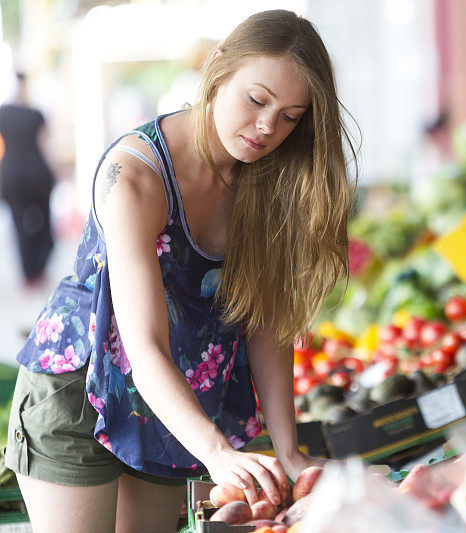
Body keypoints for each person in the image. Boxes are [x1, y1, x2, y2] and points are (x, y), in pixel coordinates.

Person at [5, 10, 355, 532]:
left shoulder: (266, 183)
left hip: (172, 407)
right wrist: (217, 453)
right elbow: (143, 345)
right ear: (217, 68)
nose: (268, 127)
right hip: (78, 395)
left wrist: (290, 450)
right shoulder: (134, 178)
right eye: (257, 100)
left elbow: (265, 321)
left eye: (290, 116)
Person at [0, 71, 56, 289]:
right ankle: (38, 268)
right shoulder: (35, 114)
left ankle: (29, 274)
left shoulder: (3, 113)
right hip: (37, 173)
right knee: (44, 223)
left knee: (19, 224)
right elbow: (46, 146)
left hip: (12, 175)